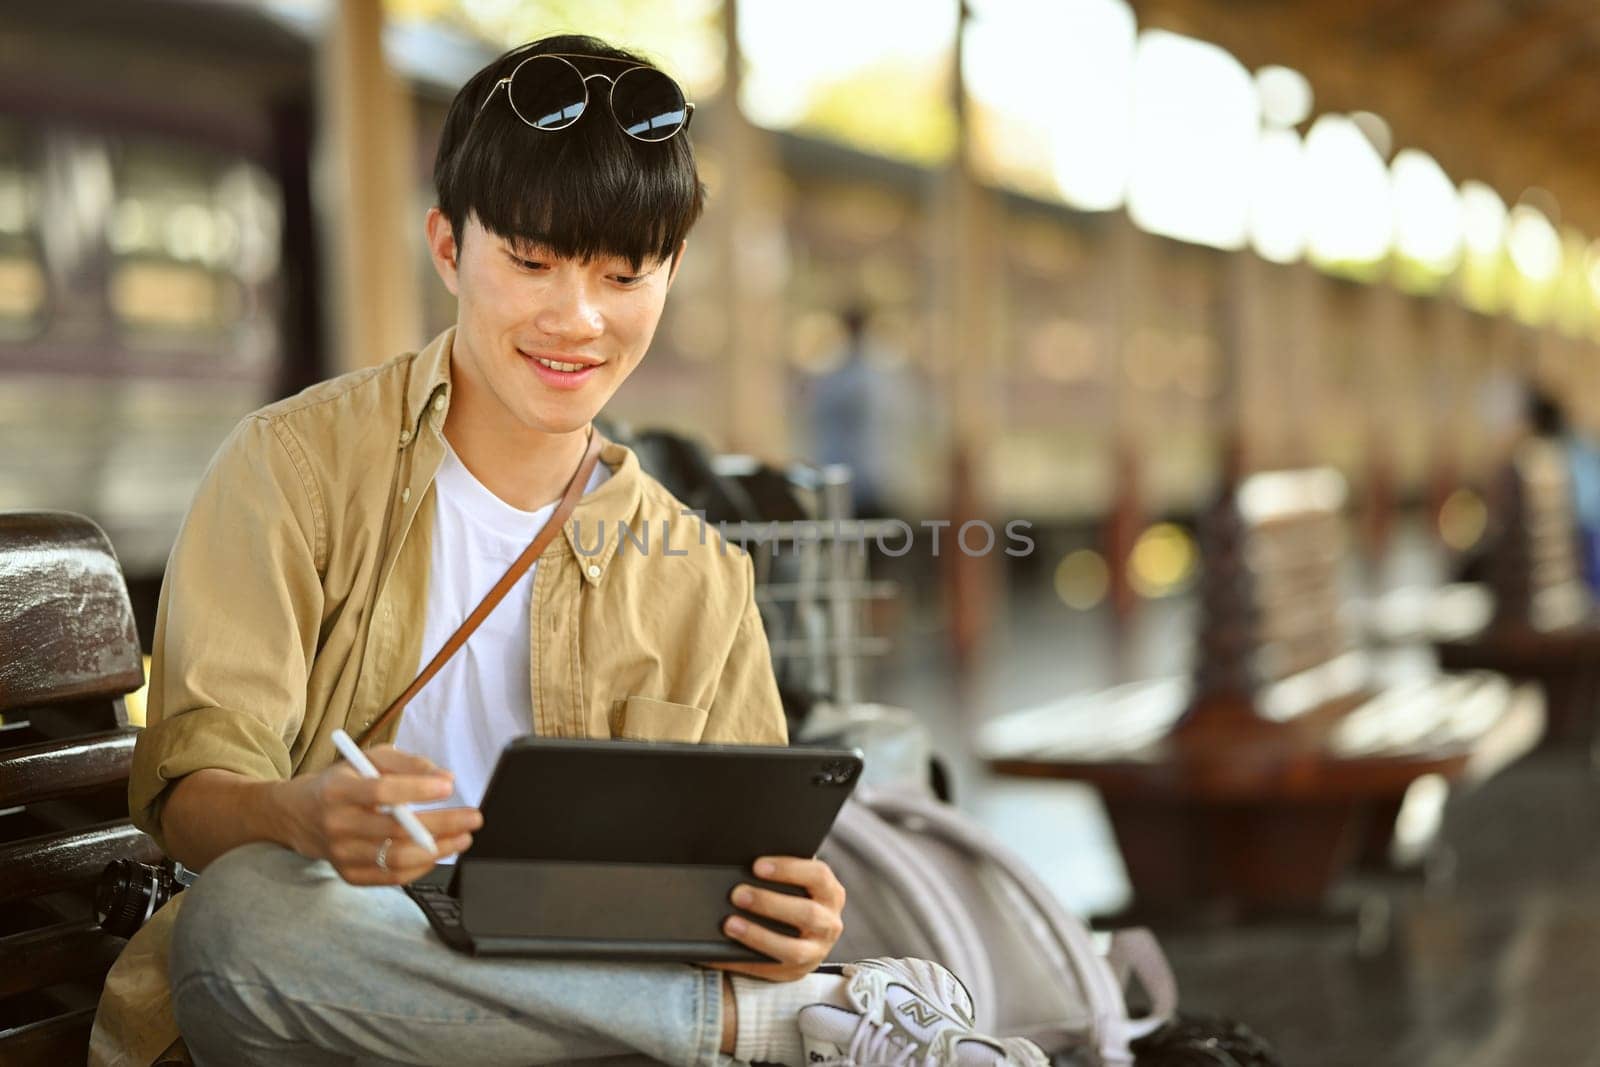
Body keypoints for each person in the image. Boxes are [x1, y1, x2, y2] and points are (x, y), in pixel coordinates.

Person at [89, 34, 1045, 1067]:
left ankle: (751, 1015)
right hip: (349, 994)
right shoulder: (292, 469)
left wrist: (787, 930)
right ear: (449, 246)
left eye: (624, 272)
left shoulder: (700, 572)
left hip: (580, 1009)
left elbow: (735, 882)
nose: (577, 317)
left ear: (669, 273)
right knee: (248, 919)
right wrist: (301, 816)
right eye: (531, 261)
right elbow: (188, 800)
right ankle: (772, 1031)